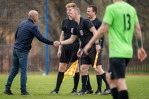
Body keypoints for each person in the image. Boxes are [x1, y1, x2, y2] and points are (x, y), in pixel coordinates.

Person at [84, 0, 147, 99]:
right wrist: (140, 47)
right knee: (109, 77)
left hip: (118, 52)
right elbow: (138, 29)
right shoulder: (131, 9)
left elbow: (103, 29)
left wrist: (90, 43)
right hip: (128, 51)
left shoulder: (112, 8)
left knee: (120, 81)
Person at [4, 10, 56, 95]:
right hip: (22, 51)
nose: (38, 17)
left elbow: (16, 35)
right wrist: (52, 43)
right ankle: (23, 91)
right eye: (37, 16)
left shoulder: (22, 23)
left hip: (15, 49)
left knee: (14, 69)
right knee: (24, 71)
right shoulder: (33, 26)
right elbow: (41, 38)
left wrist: (18, 43)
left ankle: (7, 88)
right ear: (34, 16)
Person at [54, 7, 103, 95]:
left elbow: (96, 32)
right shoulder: (77, 25)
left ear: (76, 13)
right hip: (85, 49)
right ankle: (84, 90)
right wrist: (60, 43)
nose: (69, 13)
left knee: (98, 69)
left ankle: (109, 87)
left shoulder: (86, 21)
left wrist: (96, 44)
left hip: (92, 47)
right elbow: (71, 39)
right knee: (83, 68)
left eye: (71, 12)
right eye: (68, 11)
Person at [50, 3, 80, 94]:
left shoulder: (78, 21)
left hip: (75, 46)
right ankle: (56, 90)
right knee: (61, 68)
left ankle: (75, 90)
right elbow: (62, 35)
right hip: (65, 46)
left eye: (70, 10)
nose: (68, 11)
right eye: (67, 10)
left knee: (76, 69)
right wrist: (59, 48)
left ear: (75, 10)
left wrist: (80, 48)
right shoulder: (65, 21)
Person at [86, 5, 110, 95]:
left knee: (97, 68)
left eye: (89, 11)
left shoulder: (99, 23)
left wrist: (99, 46)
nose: (87, 12)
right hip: (88, 48)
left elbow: (101, 36)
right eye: (87, 11)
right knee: (84, 68)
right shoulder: (86, 22)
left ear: (94, 12)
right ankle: (89, 89)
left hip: (96, 48)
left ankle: (102, 88)